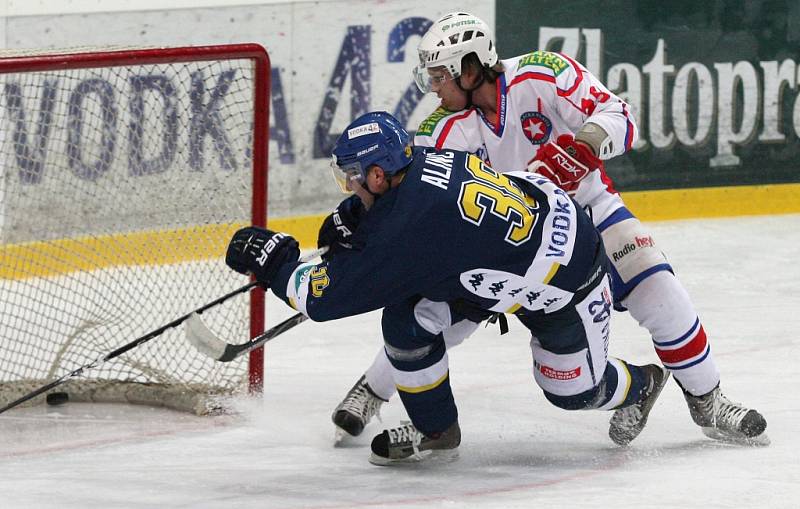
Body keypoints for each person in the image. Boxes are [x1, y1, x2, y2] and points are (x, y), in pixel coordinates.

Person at [326, 12, 767, 446]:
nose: (434, 88)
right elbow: (413, 198)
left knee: (659, 291)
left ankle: (708, 400)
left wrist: (584, 144)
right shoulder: (439, 129)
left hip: (589, 210)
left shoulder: (542, 73)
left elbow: (619, 115)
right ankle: (375, 388)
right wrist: (358, 219)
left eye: (441, 76)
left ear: (472, 67)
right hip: (506, 248)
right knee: (427, 312)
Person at [227, 111, 669, 465]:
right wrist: (358, 218)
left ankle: (641, 384)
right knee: (407, 320)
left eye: (354, 177)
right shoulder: (423, 162)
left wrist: (278, 264)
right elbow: (408, 217)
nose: (351, 185)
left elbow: (324, 299)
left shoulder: (409, 229)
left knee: (573, 393)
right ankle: (436, 431)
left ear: (379, 176)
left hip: (566, 283)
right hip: (508, 257)